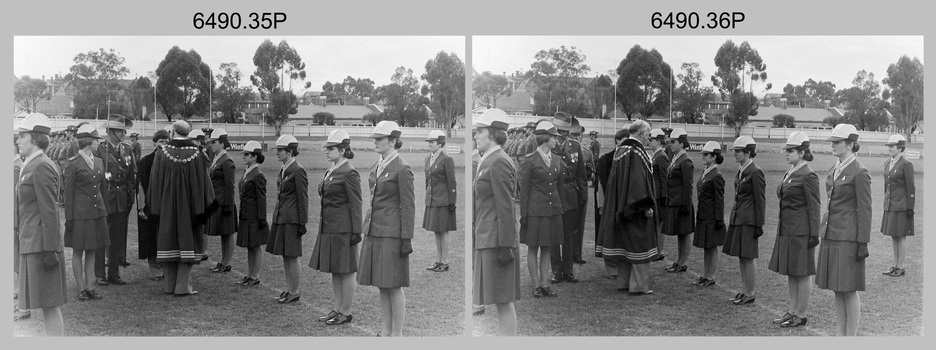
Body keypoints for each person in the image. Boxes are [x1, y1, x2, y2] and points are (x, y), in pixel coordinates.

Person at [148, 120, 217, 297]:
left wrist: (154, 207)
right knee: (188, 242)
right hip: (190, 209)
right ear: (189, 133)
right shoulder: (197, 153)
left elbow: (154, 183)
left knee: (168, 239)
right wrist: (206, 206)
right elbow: (204, 183)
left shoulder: (162, 153)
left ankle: (169, 285)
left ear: (172, 132)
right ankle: (183, 287)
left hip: (167, 208)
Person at [358, 121, 415, 336]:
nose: (375, 142)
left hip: (392, 233)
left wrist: (406, 238)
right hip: (375, 230)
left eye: (380, 139)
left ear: (393, 141)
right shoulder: (377, 164)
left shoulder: (402, 168)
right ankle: (386, 331)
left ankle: (397, 334)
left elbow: (408, 206)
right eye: (375, 138)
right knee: (381, 284)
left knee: (393, 285)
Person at [816, 123, 871, 336]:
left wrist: (862, 242)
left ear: (850, 144)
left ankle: (851, 337)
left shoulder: (860, 172)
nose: (833, 146)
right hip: (831, 234)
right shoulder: (835, 168)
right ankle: (841, 334)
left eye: (837, 142)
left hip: (848, 237)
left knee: (849, 289)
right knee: (837, 288)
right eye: (832, 142)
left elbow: (865, 211)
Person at [14, 113, 66, 335]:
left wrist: (51, 249)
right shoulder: (31, 163)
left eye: (22, 136)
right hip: (31, 242)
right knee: (45, 303)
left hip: (42, 246)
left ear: (35, 138)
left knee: (50, 303)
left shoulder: (42, 165)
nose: (17, 140)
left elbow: (50, 211)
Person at [595, 120, 658, 296]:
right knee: (638, 241)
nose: (649, 138)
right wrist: (644, 206)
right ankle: (638, 285)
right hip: (633, 205)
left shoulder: (621, 150)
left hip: (620, 204)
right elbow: (637, 182)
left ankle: (623, 282)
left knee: (624, 243)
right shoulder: (636, 152)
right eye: (648, 134)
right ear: (641, 133)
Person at [473, 109, 520, 335]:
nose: (475, 136)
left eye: (480, 131)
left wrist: (505, 244)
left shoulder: (499, 160)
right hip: (486, 236)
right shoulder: (488, 159)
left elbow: (506, 207)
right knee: (498, 299)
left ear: (493, 134)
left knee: (503, 299)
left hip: (497, 240)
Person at [768, 132, 820, 328]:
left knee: (802, 272)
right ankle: (792, 310)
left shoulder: (808, 174)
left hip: (801, 232)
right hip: (787, 229)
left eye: (790, 151)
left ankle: (801, 314)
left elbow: (814, 206)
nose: (786, 154)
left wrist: (814, 234)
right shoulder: (791, 171)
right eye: (786, 150)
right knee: (791, 272)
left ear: (802, 152)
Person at [310, 130, 362, 325]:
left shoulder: (349, 171)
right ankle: (337, 308)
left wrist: (356, 231)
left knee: (346, 270)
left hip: (343, 229)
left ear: (342, 150)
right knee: (335, 269)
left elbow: (356, 203)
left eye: (330, 148)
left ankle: (346, 311)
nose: (326, 151)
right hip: (330, 227)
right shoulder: (332, 169)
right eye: (327, 148)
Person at [64, 124, 110, 301]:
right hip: (80, 215)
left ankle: (90, 287)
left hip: (97, 213)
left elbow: (103, 189)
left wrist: (106, 210)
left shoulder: (98, 161)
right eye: (97, 140)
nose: (99, 143)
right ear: (89, 141)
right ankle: (82, 288)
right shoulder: (73, 163)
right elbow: (68, 195)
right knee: (78, 250)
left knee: (92, 249)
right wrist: (69, 219)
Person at [519, 121, 564, 298]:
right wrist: (524, 215)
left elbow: (559, 188)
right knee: (533, 247)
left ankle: (545, 284)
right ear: (545, 138)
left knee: (547, 247)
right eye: (554, 137)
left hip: (552, 211)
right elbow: (524, 191)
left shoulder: (557, 159)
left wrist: (561, 209)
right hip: (535, 211)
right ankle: (536, 284)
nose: (556, 141)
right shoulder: (530, 160)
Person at [94, 114, 136, 286]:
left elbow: (132, 176)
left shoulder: (127, 150)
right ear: (110, 131)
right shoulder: (100, 149)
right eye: (120, 130)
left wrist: (130, 197)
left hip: (120, 197)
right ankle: (99, 274)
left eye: (124, 130)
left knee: (117, 238)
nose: (124, 133)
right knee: (102, 237)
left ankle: (114, 273)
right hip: (106, 196)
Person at [723, 136, 766, 306]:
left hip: (748, 221)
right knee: (742, 257)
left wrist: (759, 224)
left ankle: (750, 292)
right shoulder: (742, 169)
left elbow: (760, 199)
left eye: (738, 152)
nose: (735, 154)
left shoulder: (755, 171)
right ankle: (745, 289)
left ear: (747, 153)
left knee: (747, 257)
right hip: (739, 219)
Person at [266, 134, 308, 304]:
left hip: (291, 219)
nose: (277, 153)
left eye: (280, 150)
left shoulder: (298, 170)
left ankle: (295, 291)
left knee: (292, 255)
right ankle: (290, 288)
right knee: (285, 255)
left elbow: (303, 198)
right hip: (282, 217)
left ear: (290, 151)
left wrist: (302, 222)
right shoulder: (285, 168)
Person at [549, 112, 586, 283]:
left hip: (571, 194)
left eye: (567, 130)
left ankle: (568, 270)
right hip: (555, 194)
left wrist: (583, 194)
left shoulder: (575, 146)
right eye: (562, 130)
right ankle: (556, 271)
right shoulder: (549, 145)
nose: (565, 134)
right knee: (555, 235)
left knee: (569, 234)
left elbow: (581, 174)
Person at [594, 127, 630, 280]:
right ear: (617, 141)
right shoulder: (605, 159)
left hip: (622, 203)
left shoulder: (630, 158)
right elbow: (599, 184)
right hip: (608, 203)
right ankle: (610, 266)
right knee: (607, 234)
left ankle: (621, 264)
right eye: (622, 142)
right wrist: (601, 205)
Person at [137, 129, 170, 281]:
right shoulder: (145, 161)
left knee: (166, 236)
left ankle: (167, 267)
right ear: (155, 143)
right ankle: (156, 269)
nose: (164, 144)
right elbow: (141, 185)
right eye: (161, 141)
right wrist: (142, 206)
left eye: (167, 141)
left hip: (167, 204)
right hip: (151, 204)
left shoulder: (172, 159)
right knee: (151, 237)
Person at [422, 130, 457, 272]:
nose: (429, 144)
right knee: (436, 231)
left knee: (443, 231)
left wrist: (451, 202)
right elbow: (427, 181)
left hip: (443, 200)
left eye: (432, 142)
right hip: (432, 199)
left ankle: (445, 261)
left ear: (440, 143)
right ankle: (439, 260)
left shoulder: (446, 159)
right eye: (429, 142)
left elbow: (452, 182)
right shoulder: (427, 158)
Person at [881, 134, 915, 277]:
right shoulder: (887, 163)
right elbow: (886, 186)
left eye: (892, 146)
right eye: (888, 146)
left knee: (901, 236)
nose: (889, 148)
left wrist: (910, 207)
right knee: (894, 236)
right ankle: (895, 265)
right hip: (890, 205)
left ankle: (901, 266)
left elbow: (911, 187)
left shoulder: (906, 164)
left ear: (900, 148)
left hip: (901, 206)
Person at [204, 129, 238, 273]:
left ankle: (227, 262)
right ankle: (223, 261)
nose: (211, 145)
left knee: (227, 233)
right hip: (218, 202)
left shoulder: (227, 161)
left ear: (222, 144)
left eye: (214, 142)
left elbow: (230, 185)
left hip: (225, 203)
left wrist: (228, 205)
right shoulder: (218, 158)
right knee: (224, 233)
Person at [661, 128, 695, 273]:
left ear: (681, 143)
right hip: (674, 201)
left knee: (684, 233)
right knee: (680, 233)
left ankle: (683, 262)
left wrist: (686, 204)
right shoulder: (676, 158)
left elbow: (688, 185)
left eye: (673, 142)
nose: (670, 145)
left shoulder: (685, 160)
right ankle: (679, 261)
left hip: (682, 202)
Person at [693, 141, 726, 287]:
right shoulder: (707, 171)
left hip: (712, 216)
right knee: (706, 247)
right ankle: (705, 275)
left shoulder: (716, 175)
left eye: (706, 155)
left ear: (714, 157)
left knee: (712, 247)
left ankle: (710, 276)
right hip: (704, 215)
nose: (703, 157)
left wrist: (719, 219)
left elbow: (719, 200)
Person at [237, 140, 269, 287]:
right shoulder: (248, 171)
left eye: (247, 154)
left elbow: (262, 198)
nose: (244, 156)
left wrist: (262, 218)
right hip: (246, 214)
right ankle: (249, 274)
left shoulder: (258, 174)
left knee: (255, 246)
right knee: (250, 246)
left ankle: (254, 276)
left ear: (255, 156)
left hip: (254, 216)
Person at [13, 139, 32, 321]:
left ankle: (21, 302)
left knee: (19, 260)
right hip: (18, 220)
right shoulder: (21, 164)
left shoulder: (19, 165)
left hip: (20, 220)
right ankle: (20, 302)